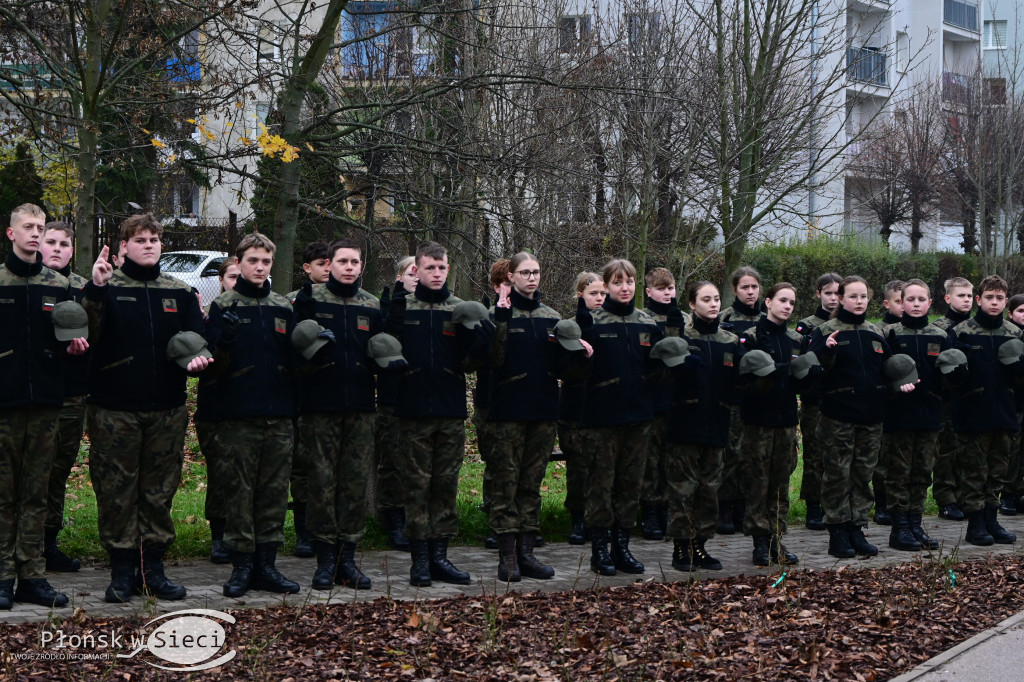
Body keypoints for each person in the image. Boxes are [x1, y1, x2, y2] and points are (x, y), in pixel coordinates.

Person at [82, 213, 209, 603]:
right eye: (140, 239)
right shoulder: (105, 287)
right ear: (123, 247)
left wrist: (198, 358)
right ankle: (123, 572)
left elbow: (196, 340)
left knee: (159, 492)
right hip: (114, 410)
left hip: (166, 410)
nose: (149, 244)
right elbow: (86, 332)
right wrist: (96, 290)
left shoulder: (180, 292)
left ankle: (154, 568)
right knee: (116, 491)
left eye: (155, 239)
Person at [387, 241, 492, 587]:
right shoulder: (404, 307)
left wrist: (483, 344)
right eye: (429, 267)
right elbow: (385, 353)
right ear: (416, 269)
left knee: (445, 483)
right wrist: (393, 320)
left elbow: (470, 363)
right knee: (416, 485)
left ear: (449, 268)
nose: (436, 273)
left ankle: (440, 557)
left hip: (449, 410)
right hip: (411, 409)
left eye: (441, 267)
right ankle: (419, 560)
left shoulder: (460, 309)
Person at [203, 232, 302, 597]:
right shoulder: (224, 305)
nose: (259, 268)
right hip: (237, 414)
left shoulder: (282, 306)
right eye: (253, 261)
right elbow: (211, 368)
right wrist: (224, 341)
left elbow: (293, 362)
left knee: (274, 492)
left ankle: (267, 566)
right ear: (239, 262)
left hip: (278, 413)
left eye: (265, 262)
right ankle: (241, 567)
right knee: (240, 493)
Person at [0, 204, 87, 610]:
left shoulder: (60, 284)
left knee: (36, 492)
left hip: (47, 402)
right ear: (11, 234)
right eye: (29, 227)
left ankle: (32, 575)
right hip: (5, 403)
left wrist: (74, 346)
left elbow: (77, 337)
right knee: (4, 493)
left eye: (40, 227)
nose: (36, 234)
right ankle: (2, 577)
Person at [292, 238, 389, 590]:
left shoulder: (371, 304)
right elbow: (294, 352)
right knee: (321, 484)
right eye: (343, 261)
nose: (349, 267)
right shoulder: (310, 300)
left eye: (355, 262)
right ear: (329, 264)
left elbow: (381, 351)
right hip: (319, 408)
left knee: (352, 485)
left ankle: (347, 558)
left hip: (361, 408)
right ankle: (325, 561)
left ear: (361, 266)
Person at [485, 253, 587, 582]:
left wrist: (581, 358)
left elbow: (561, 368)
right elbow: (493, 360)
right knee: (506, 485)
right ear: (511, 277)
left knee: (530, 485)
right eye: (525, 272)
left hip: (543, 412)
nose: (532, 277)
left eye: (536, 272)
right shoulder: (498, 314)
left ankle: (527, 552)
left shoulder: (551, 317)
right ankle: (507, 556)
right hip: (507, 413)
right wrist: (500, 319)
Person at [808, 276, 915, 559]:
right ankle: (838, 532)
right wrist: (825, 351)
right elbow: (811, 373)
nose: (858, 301)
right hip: (838, 417)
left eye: (863, 296)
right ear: (841, 299)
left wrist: (899, 387)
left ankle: (857, 527)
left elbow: (889, 370)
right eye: (852, 296)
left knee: (862, 475)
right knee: (837, 475)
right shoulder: (826, 331)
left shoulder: (875, 333)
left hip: (871, 418)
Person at [577, 259, 663, 576]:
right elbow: (577, 372)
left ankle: (621, 547)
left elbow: (656, 370)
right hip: (601, 418)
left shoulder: (648, 324)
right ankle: (600, 550)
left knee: (630, 485)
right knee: (601, 485)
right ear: (607, 286)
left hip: (638, 419)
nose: (623, 287)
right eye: (617, 282)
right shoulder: (592, 322)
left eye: (628, 281)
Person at [664, 281, 737, 572]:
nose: (714, 304)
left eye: (717, 299)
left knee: (710, 487)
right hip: (684, 421)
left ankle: (701, 546)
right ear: (692, 304)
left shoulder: (728, 341)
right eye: (706, 299)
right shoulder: (682, 336)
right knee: (683, 489)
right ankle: (681, 546)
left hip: (716, 422)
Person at [737, 282, 808, 567]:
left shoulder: (795, 339)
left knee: (780, 484)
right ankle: (759, 542)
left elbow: (801, 378)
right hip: (758, 421)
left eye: (792, 302)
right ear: (768, 302)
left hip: (787, 420)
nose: (788, 306)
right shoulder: (751, 336)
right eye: (782, 301)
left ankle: (776, 539)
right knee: (757, 482)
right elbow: (745, 379)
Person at [881, 278, 954, 552]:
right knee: (899, 472)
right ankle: (898, 528)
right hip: (899, 415)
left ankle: (914, 524)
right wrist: (894, 387)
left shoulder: (941, 336)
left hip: (930, 414)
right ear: (901, 302)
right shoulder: (889, 334)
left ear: (930, 303)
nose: (915, 304)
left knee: (923, 472)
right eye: (909, 299)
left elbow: (950, 375)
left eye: (920, 300)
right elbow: (881, 374)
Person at [948, 275, 1021, 546]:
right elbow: (948, 377)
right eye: (989, 297)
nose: (994, 302)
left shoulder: (1014, 333)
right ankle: (975, 524)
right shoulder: (961, 331)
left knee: (998, 470)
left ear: (1006, 302)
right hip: (972, 413)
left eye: (999, 298)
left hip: (1005, 411)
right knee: (975, 471)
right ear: (979, 299)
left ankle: (992, 519)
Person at [38, 221, 89, 573]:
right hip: (31, 394)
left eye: (63, 243)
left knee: (58, 472)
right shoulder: (25, 284)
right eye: (50, 242)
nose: (57, 249)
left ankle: (48, 543)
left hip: (71, 395)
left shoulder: (85, 289)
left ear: (72, 249)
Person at [285, 240, 331, 559]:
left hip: (333, 395)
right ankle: (303, 532)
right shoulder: (290, 300)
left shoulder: (344, 298)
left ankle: (326, 530)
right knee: (302, 466)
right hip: (302, 393)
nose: (327, 268)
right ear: (307, 268)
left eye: (331, 262)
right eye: (320, 263)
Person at [196, 257, 242, 564]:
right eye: (232, 277)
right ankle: (219, 536)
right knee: (221, 474)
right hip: (215, 408)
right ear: (222, 281)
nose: (237, 283)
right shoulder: (212, 316)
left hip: (245, 406)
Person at [638, 267, 686, 540]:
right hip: (652, 398)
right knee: (651, 460)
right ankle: (650, 512)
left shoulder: (684, 319)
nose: (667, 293)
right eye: (661, 288)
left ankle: (668, 508)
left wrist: (678, 326)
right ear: (648, 291)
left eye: (670, 288)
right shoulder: (643, 319)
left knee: (672, 460)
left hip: (676, 399)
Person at [558, 272, 605, 545]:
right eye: (593, 294)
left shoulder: (612, 323)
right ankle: (578, 518)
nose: (599, 298)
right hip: (574, 408)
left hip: (602, 407)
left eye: (602, 294)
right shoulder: (568, 326)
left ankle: (599, 519)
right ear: (580, 296)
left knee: (600, 468)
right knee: (578, 467)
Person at [373, 256, 416, 551]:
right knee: (393, 462)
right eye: (411, 273)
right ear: (400, 277)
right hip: (393, 397)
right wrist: (394, 312)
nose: (417, 277)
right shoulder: (387, 307)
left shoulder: (439, 307)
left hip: (425, 395)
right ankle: (394, 521)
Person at [718, 266, 764, 535]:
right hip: (732, 396)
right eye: (745, 287)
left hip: (759, 397)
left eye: (754, 287)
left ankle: (745, 507)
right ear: (734, 289)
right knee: (730, 453)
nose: (750, 292)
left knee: (752, 454)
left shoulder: (768, 318)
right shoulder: (724, 318)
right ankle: (725, 507)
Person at [795, 272, 842, 530]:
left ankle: (832, 504)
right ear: (818, 294)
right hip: (814, 397)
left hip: (839, 396)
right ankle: (813, 504)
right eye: (828, 293)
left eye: (837, 293)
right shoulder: (807, 325)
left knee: (836, 455)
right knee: (814, 454)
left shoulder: (849, 323)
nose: (833, 298)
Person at [932, 277, 975, 522]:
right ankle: (946, 499)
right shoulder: (940, 327)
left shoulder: (975, 326)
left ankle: (965, 496)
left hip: (969, 397)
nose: (966, 300)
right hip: (946, 399)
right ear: (948, 298)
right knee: (946, 450)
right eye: (961, 295)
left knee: (966, 450)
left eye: (969, 296)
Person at [478, 259, 511, 551]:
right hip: (489, 400)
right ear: (495, 286)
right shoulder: (486, 316)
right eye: (505, 285)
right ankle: (492, 515)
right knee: (494, 462)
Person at [871, 280, 905, 527]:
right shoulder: (877, 331)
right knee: (882, 459)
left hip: (910, 402)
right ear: (887, 303)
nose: (904, 306)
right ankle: (882, 504)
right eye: (899, 301)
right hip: (885, 403)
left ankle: (902, 506)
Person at [1002, 293, 1024, 516]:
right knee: (1013, 451)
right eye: (1021, 311)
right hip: (1014, 403)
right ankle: (1008, 495)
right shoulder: (1010, 337)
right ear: (1011, 314)